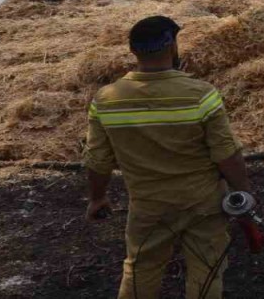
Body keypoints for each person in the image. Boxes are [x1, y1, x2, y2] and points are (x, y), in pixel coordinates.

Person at [83, 15, 254, 299]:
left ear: (133, 51)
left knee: (140, 269)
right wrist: (243, 192)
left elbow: (97, 160)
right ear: (173, 46)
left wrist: (97, 198)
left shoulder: (106, 100)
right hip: (203, 204)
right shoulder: (201, 95)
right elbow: (226, 154)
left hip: (148, 206)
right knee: (207, 268)